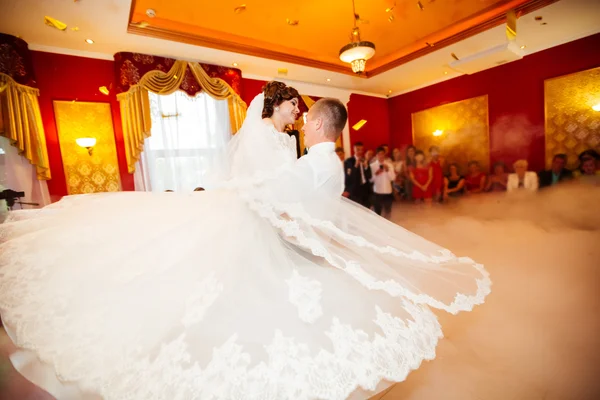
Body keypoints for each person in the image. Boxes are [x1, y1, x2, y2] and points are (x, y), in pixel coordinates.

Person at [0, 82, 490, 400]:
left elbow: (287, 190)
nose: (298, 111)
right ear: (274, 105)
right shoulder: (268, 138)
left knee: (260, 292)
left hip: (277, 220)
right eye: (293, 104)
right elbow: (262, 184)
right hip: (254, 216)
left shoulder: (297, 148)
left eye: (302, 107)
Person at [343, 141, 372, 208]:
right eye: (358, 150)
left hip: (365, 189)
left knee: (366, 209)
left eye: (361, 150)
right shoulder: (349, 161)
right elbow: (348, 177)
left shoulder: (365, 160)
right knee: (357, 210)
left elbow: (369, 176)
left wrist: (366, 167)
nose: (360, 151)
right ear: (354, 149)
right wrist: (355, 166)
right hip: (355, 190)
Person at [369, 146, 396, 219]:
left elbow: (393, 178)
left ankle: (386, 228)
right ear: (376, 155)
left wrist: (387, 170)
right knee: (377, 213)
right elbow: (370, 180)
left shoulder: (389, 165)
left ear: (385, 155)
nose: (381, 156)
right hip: (377, 192)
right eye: (379, 154)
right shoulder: (372, 166)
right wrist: (376, 174)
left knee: (387, 213)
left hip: (388, 192)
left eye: (382, 154)